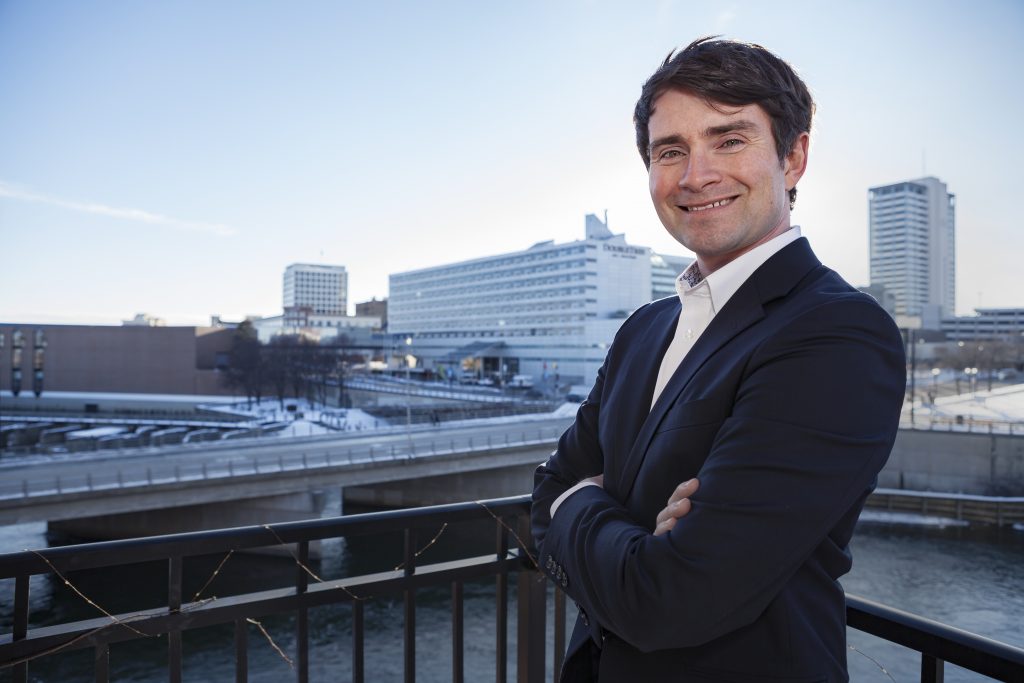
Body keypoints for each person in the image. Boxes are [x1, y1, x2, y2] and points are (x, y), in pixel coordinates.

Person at [531, 37, 906, 683]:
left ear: (794, 157)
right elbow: (543, 496)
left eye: (729, 140)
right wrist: (628, 530)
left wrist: (581, 505)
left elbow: (671, 597)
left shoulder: (837, 331)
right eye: (669, 151)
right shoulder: (645, 328)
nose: (695, 175)